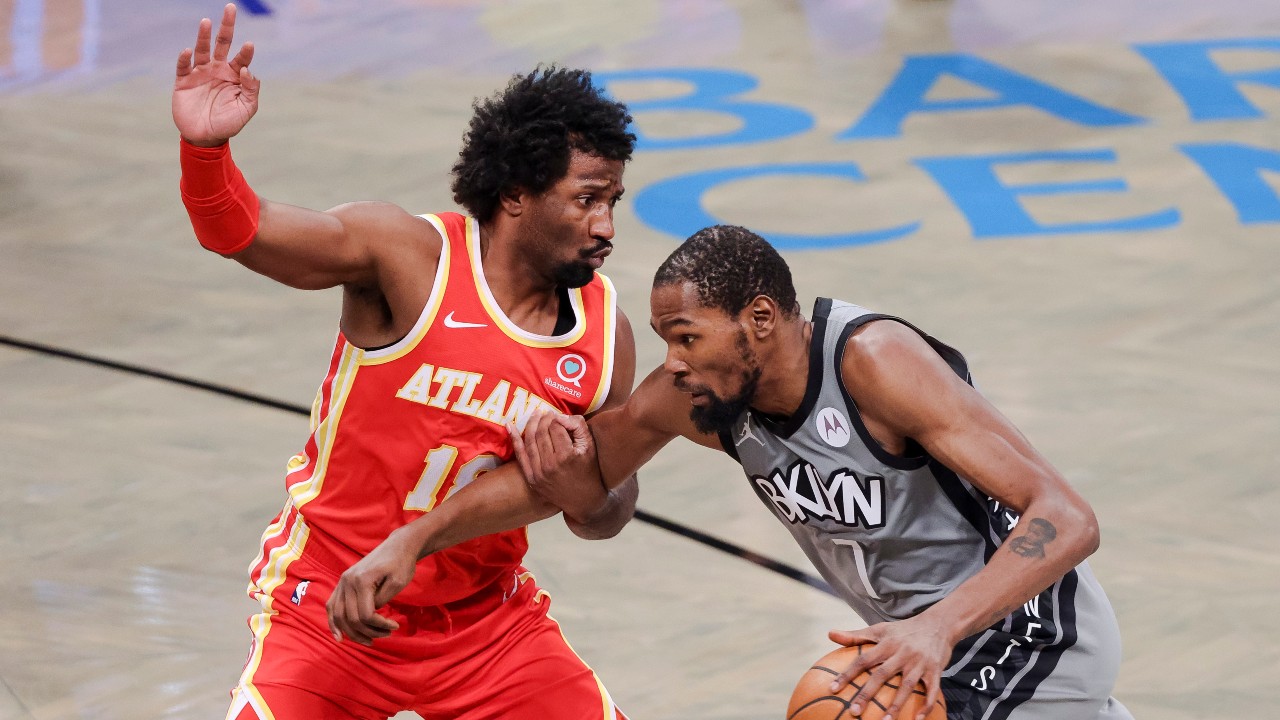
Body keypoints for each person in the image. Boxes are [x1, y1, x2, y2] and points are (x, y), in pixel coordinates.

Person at [334, 225, 1134, 720]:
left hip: (1026, 633)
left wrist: (936, 628)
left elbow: (1066, 517)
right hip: (913, 642)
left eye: (686, 338)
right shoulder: (705, 398)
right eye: (665, 340)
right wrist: (417, 538)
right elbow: (570, 484)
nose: (673, 363)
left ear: (758, 319)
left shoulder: (873, 363)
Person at [172, 4, 640, 718]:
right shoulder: (405, 257)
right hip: (330, 604)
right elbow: (241, 231)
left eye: (613, 201)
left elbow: (610, 511)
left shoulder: (604, 335)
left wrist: (586, 495)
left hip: (486, 626)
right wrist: (206, 153)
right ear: (515, 195)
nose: (605, 226)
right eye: (586, 200)